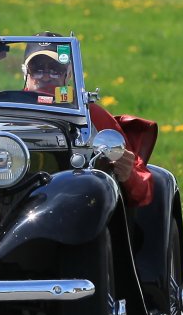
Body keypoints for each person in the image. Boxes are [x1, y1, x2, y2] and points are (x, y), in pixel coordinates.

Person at [24, 37, 154, 207]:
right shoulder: (6, 110)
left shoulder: (91, 113)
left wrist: (128, 173)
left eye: (55, 70)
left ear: (68, 74)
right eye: (38, 69)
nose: (47, 76)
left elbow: (143, 191)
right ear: (26, 72)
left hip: (76, 200)